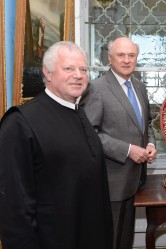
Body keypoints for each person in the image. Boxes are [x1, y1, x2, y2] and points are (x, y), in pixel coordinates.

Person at [0, 41, 112, 249]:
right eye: (68, 68)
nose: (78, 75)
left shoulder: (78, 112)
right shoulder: (20, 122)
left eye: (83, 69)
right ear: (48, 73)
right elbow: (14, 208)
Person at [80, 36, 157, 249]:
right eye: (121, 55)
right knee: (110, 239)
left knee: (125, 239)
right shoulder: (96, 88)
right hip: (111, 180)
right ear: (109, 58)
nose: (126, 60)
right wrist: (128, 150)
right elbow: (90, 134)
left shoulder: (140, 87)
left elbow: (147, 124)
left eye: (131, 55)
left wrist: (150, 145)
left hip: (136, 178)